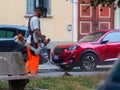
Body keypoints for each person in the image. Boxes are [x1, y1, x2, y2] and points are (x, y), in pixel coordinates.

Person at [25, 6, 49, 76]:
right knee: (35, 59)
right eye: (42, 12)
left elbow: (34, 31)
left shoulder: (31, 18)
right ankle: (33, 75)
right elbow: (36, 30)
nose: (42, 14)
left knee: (30, 59)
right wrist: (43, 39)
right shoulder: (35, 19)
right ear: (38, 11)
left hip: (29, 42)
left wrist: (41, 36)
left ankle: (25, 73)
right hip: (33, 43)